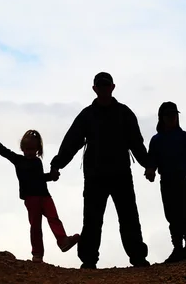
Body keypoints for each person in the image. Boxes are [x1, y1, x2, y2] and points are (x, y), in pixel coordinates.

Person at [49, 72, 150, 269]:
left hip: (120, 174)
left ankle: (138, 258)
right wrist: (57, 164)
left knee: (128, 217)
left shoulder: (123, 113)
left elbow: (136, 143)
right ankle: (89, 260)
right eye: (100, 87)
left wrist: (148, 164)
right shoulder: (88, 115)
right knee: (93, 220)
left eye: (106, 86)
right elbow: (72, 142)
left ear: (112, 87)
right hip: (96, 175)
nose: (103, 90)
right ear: (95, 89)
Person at [0, 128, 79, 263]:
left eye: (33, 150)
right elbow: (3, 151)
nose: (30, 153)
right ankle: (37, 254)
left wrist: (51, 177)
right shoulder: (18, 160)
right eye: (27, 149)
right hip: (31, 198)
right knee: (35, 226)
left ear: (37, 149)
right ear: (22, 148)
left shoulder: (37, 162)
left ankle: (63, 241)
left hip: (44, 195)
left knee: (54, 218)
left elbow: (38, 178)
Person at [145, 101, 186, 264]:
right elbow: (152, 160)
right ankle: (178, 247)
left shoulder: (183, 136)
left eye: (174, 115)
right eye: (168, 115)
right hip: (167, 180)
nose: (172, 118)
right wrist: (151, 170)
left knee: (185, 212)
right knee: (172, 214)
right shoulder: (157, 140)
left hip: (181, 179)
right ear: (162, 118)